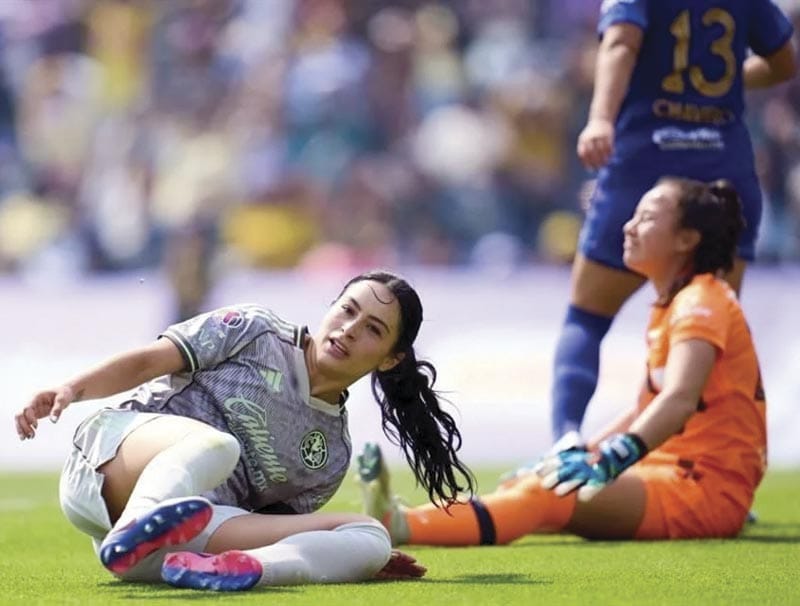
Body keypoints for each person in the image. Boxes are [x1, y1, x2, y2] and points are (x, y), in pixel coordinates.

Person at [361, 178, 768, 544]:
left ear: (686, 239)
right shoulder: (679, 302)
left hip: (704, 490)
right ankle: (402, 520)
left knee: (547, 492)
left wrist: (617, 454)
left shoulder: (700, 301)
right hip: (673, 475)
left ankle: (400, 525)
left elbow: (679, 399)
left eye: (646, 218)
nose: (629, 226)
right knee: (539, 480)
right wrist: (587, 451)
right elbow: (648, 406)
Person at [14, 270, 475, 591]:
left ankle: (244, 570)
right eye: (347, 310)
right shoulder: (256, 331)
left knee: (371, 536)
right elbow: (148, 362)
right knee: (218, 446)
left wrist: (345, 556)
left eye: (372, 329)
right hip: (108, 460)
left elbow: (269, 526)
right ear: (330, 307)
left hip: (171, 543)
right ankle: (138, 525)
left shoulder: (332, 455)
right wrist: (72, 388)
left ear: (391, 359)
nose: (350, 329)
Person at [548, 0, 795, 451]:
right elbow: (784, 62)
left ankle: (565, 438)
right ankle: (701, 460)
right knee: (707, 331)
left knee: (587, 317)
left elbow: (621, 43)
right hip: (723, 172)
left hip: (643, 166)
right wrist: (721, 87)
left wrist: (600, 119)